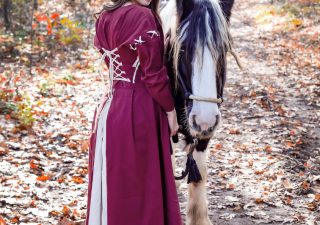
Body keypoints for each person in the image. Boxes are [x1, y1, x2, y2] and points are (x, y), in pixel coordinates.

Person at [85, 0, 183, 225]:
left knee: (118, 183)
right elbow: (153, 75)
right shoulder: (142, 16)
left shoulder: (105, 17)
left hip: (109, 109)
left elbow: (120, 63)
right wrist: (170, 110)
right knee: (141, 189)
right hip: (140, 109)